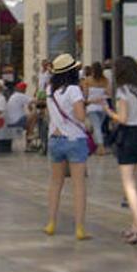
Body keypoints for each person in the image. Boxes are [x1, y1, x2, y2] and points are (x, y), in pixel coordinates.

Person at [104, 56, 137, 245]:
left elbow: (123, 118)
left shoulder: (123, 91)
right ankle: (135, 224)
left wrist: (109, 112)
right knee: (136, 182)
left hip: (128, 135)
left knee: (128, 184)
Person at [44, 53, 91, 241]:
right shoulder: (74, 90)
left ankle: (51, 222)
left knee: (56, 183)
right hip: (74, 139)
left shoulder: (49, 90)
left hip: (55, 139)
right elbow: (80, 116)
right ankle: (79, 228)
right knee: (78, 185)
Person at [82, 62, 109, 156]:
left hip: (91, 106)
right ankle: (98, 146)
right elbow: (108, 93)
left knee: (96, 127)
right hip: (103, 107)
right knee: (98, 127)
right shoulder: (105, 80)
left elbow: (85, 95)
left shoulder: (87, 80)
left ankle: (100, 147)